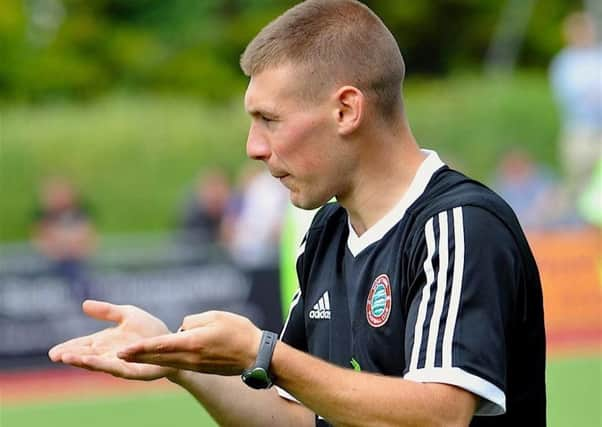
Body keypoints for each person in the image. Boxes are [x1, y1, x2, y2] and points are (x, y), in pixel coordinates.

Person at [48, 1, 546, 426]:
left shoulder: (456, 225)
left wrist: (263, 354)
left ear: (346, 111)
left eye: (269, 120)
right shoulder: (327, 232)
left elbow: (440, 414)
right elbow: (295, 416)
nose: (253, 147)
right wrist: (178, 359)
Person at [549, 11, 602, 200]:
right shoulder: (564, 63)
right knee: (578, 182)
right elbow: (566, 96)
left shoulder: (598, 57)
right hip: (580, 131)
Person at [32, 177, 97, 302]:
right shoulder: (45, 215)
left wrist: (73, 246)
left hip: (78, 261)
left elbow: (89, 237)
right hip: (52, 262)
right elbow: (41, 240)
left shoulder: (80, 213)